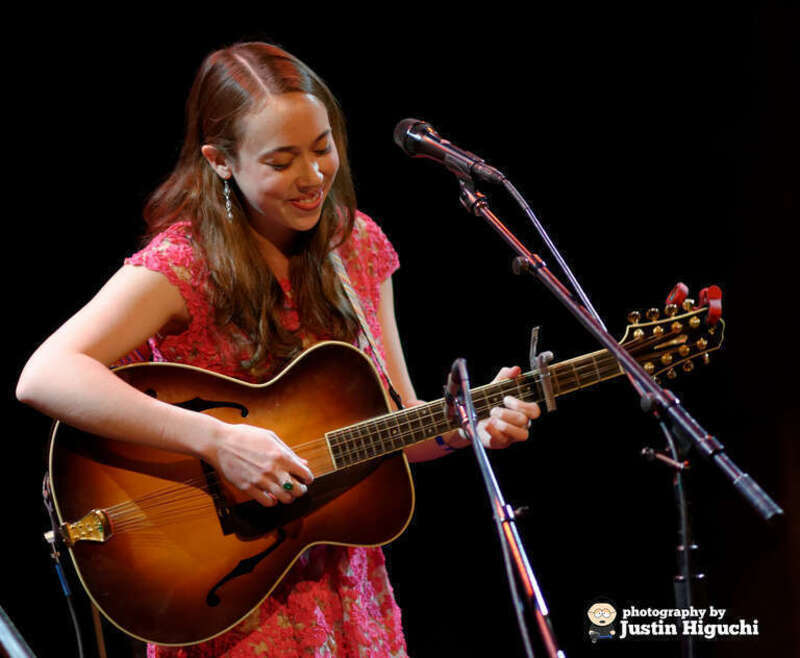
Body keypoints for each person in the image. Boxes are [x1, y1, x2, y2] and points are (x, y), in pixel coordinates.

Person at [16, 41, 541, 657]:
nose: (314, 175)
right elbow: (45, 374)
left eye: (323, 147)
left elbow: (398, 421)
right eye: (282, 160)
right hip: (228, 598)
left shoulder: (359, 245)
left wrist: (462, 429)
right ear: (221, 161)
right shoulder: (183, 263)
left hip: (352, 598)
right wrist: (217, 440)